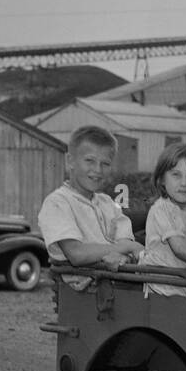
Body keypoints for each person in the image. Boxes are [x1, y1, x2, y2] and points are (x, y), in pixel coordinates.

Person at [38, 124, 144, 291]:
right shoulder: (58, 203)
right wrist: (124, 248)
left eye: (105, 164)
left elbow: (125, 240)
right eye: (89, 161)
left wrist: (123, 253)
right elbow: (77, 254)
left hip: (116, 283)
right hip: (86, 292)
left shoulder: (108, 203)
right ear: (70, 161)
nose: (97, 170)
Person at [140, 143, 186, 298]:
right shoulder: (161, 209)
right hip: (165, 292)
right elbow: (180, 249)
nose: (184, 183)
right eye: (176, 174)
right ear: (162, 179)